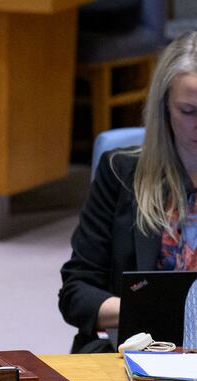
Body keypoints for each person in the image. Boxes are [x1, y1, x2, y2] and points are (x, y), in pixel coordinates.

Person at [60, 32, 197, 353]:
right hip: (135, 351)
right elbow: (76, 293)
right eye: (188, 111)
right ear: (164, 108)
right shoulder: (120, 173)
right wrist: (147, 311)